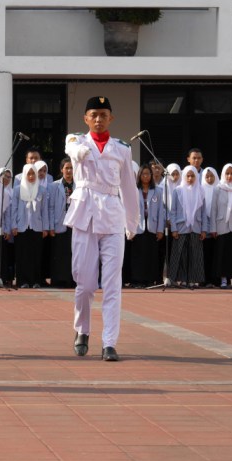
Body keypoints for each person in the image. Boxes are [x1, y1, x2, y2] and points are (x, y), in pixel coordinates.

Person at [64, 96, 139, 362]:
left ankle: (109, 342)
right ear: (85, 118)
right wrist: (78, 152)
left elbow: (129, 188)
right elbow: (71, 148)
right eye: (93, 114)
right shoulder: (76, 140)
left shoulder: (121, 148)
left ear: (111, 118)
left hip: (112, 215)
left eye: (103, 114)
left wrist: (132, 222)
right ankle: (82, 329)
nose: (98, 119)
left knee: (112, 284)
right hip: (84, 215)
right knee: (84, 284)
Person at [11, 163, 49, 289]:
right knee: (22, 255)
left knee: (36, 255)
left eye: (33, 173)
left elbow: (45, 210)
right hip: (21, 227)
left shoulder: (42, 190)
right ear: (24, 174)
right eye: (29, 174)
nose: (31, 176)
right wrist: (13, 225)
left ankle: (36, 281)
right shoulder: (17, 189)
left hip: (37, 227)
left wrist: (45, 227)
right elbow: (14, 209)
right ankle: (23, 281)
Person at [169, 166, 207, 288]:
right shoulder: (178, 191)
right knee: (181, 256)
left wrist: (204, 229)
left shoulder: (200, 191)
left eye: (193, 176)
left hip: (196, 228)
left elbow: (203, 212)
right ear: (184, 176)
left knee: (195, 255)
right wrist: (174, 228)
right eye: (188, 176)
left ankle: (194, 280)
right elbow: (173, 212)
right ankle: (182, 279)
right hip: (181, 229)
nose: (190, 178)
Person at [129, 164, 165, 288]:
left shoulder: (158, 191)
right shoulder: (133, 190)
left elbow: (161, 211)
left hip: (152, 227)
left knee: (151, 255)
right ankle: (138, 280)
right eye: (143, 174)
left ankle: (150, 280)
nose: (146, 176)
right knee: (138, 255)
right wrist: (129, 229)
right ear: (139, 176)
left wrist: (160, 230)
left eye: (148, 174)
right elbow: (128, 210)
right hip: (138, 226)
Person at [48, 157, 76, 288]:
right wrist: (51, 226)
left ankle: (72, 280)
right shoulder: (54, 185)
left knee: (74, 252)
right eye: (67, 168)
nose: (69, 171)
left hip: (75, 224)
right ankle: (59, 280)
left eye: (71, 168)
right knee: (60, 253)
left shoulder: (79, 185)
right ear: (61, 170)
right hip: (60, 223)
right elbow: (51, 206)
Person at [201, 167, 220, 287]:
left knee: (216, 254)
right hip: (204, 227)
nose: (209, 178)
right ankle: (205, 279)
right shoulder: (200, 190)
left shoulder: (220, 190)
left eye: (211, 176)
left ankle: (216, 280)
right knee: (205, 254)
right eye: (207, 177)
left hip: (218, 227)